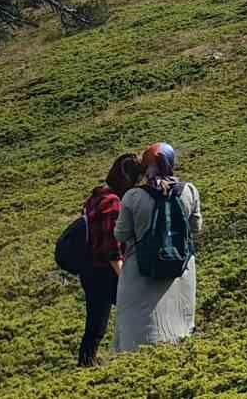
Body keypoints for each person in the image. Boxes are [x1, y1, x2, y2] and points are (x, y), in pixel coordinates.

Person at [113, 143, 202, 354]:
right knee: (180, 322)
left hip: (141, 268)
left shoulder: (133, 197)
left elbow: (121, 234)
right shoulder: (189, 190)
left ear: (146, 167)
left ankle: (136, 364)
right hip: (180, 268)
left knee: (139, 324)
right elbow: (196, 228)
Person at [78, 153, 144, 366]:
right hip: (104, 271)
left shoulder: (97, 196)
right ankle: (135, 355)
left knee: (96, 323)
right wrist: (124, 277)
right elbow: (112, 248)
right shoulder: (113, 203)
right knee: (135, 309)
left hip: (89, 268)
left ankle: (87, 361)